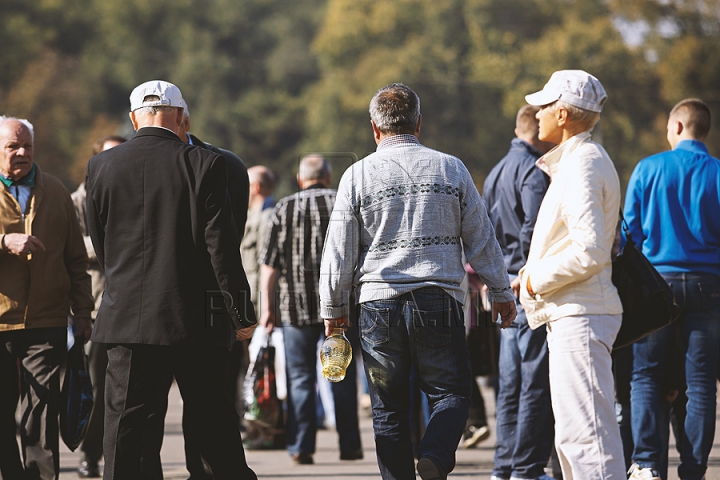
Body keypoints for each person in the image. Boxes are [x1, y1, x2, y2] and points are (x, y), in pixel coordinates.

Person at [319, 83, 517, 480]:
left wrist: (333, 311)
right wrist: (500, 290)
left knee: (387, 407)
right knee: (451, 393)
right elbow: (481, 236)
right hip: (437, 299)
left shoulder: (355, 175)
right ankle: (436, 456)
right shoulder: (451, 168)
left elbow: (338, 252)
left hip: (377, 304)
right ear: (419, 124)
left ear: (375, 129)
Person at [85, 80, 257, 480]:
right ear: (181, 116)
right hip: (194, 321)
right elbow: (222, 251)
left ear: (133, 119)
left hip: (127, 319)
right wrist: (241, 313)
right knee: (212, 429)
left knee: (125, 435)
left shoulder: (100, 166)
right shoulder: (205, 164)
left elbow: (103, 244)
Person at [518, 70, 625, 480]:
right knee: (578, 438)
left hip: (580, 314)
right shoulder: (580, 161)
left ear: (562, 114)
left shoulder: (583, 165)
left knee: (587, 442)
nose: (536, 112)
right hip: (577, 310)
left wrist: (532, 280)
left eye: (544, 105)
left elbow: (590, 249)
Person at [624, 98, 720, 480]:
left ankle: (646, 463)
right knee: (701, 385)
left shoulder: (648, 168)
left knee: (645, 376)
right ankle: (695, 469)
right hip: (708, 287)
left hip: (656, 285)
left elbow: (629, 234)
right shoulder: (717, 172)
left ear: (678, 127)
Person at [0, 116, 93, 480]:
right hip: (1, 319)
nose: (21, 152)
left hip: (48, 319)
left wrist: (83, 311)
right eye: (12, 146)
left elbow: (76, 258)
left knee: (41, 411)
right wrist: (4, 242)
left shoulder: (55, 191)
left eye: (27, 146)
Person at [259, 154, 363, 465]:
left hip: (295, 308)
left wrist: (268, 309)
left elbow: (269, 266)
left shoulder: (283, 208)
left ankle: (301, 446)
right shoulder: (344, 203)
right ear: (329, 178)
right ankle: (350, 445)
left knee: (300, 378)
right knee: (341, 375)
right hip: (341, 309)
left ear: (300, 178)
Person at [175, 95, 252, 480]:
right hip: (160, 301)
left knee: (207, 398)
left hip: (207, 303)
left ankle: (206, 471)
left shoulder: (226, 166)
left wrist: (238, 311)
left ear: (184, 120)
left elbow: (226, 246)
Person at [483, 105, 555, 480]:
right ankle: (527, 469)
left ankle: (504, 466)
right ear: (538, 133)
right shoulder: (533, 170)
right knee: (533, 382)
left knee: (509, 385)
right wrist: (531, 264)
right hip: (526, 282)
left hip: (503, 283)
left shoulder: (495, 172)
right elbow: (534, 225)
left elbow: (485, 230)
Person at [71, 134, 126, 478]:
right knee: (94, 386)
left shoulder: (129, 191)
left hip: (125, 304)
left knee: (120, 391)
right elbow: (72, 246)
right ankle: (90, 453)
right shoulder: (78, 198)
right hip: (94, 306)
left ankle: (116, 454)